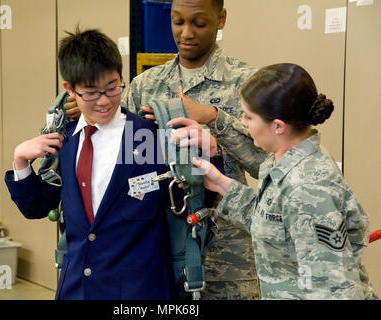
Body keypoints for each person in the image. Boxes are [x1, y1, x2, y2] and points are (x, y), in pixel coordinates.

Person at [63, 0, 267, 300]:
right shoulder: (145, 85)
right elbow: (119, 164)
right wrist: (86, 107)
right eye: (177, 21)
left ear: (220, 19)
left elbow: (265, 162)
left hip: (227, 255)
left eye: (198, 23)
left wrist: (213, 117)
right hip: (160, 252)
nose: (186, 33)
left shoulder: (246, 83)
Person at [170, 63, 379, 299]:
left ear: (278, 126)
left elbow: (334, 290)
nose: (243, 122)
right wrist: (219, 183)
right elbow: (274, 222)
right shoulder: (283, 159)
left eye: (248, 116)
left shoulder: (308, 190)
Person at [4, 28, 177, 300]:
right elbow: (37, 207)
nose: (105, 100)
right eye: (91, 93)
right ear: (70, 89)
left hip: (137, 292)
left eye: (113, 87)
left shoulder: (146, 137)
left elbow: (182, 198)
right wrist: (21, 159)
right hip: (77, 289)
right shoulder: (64, 140)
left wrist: (205, 154)